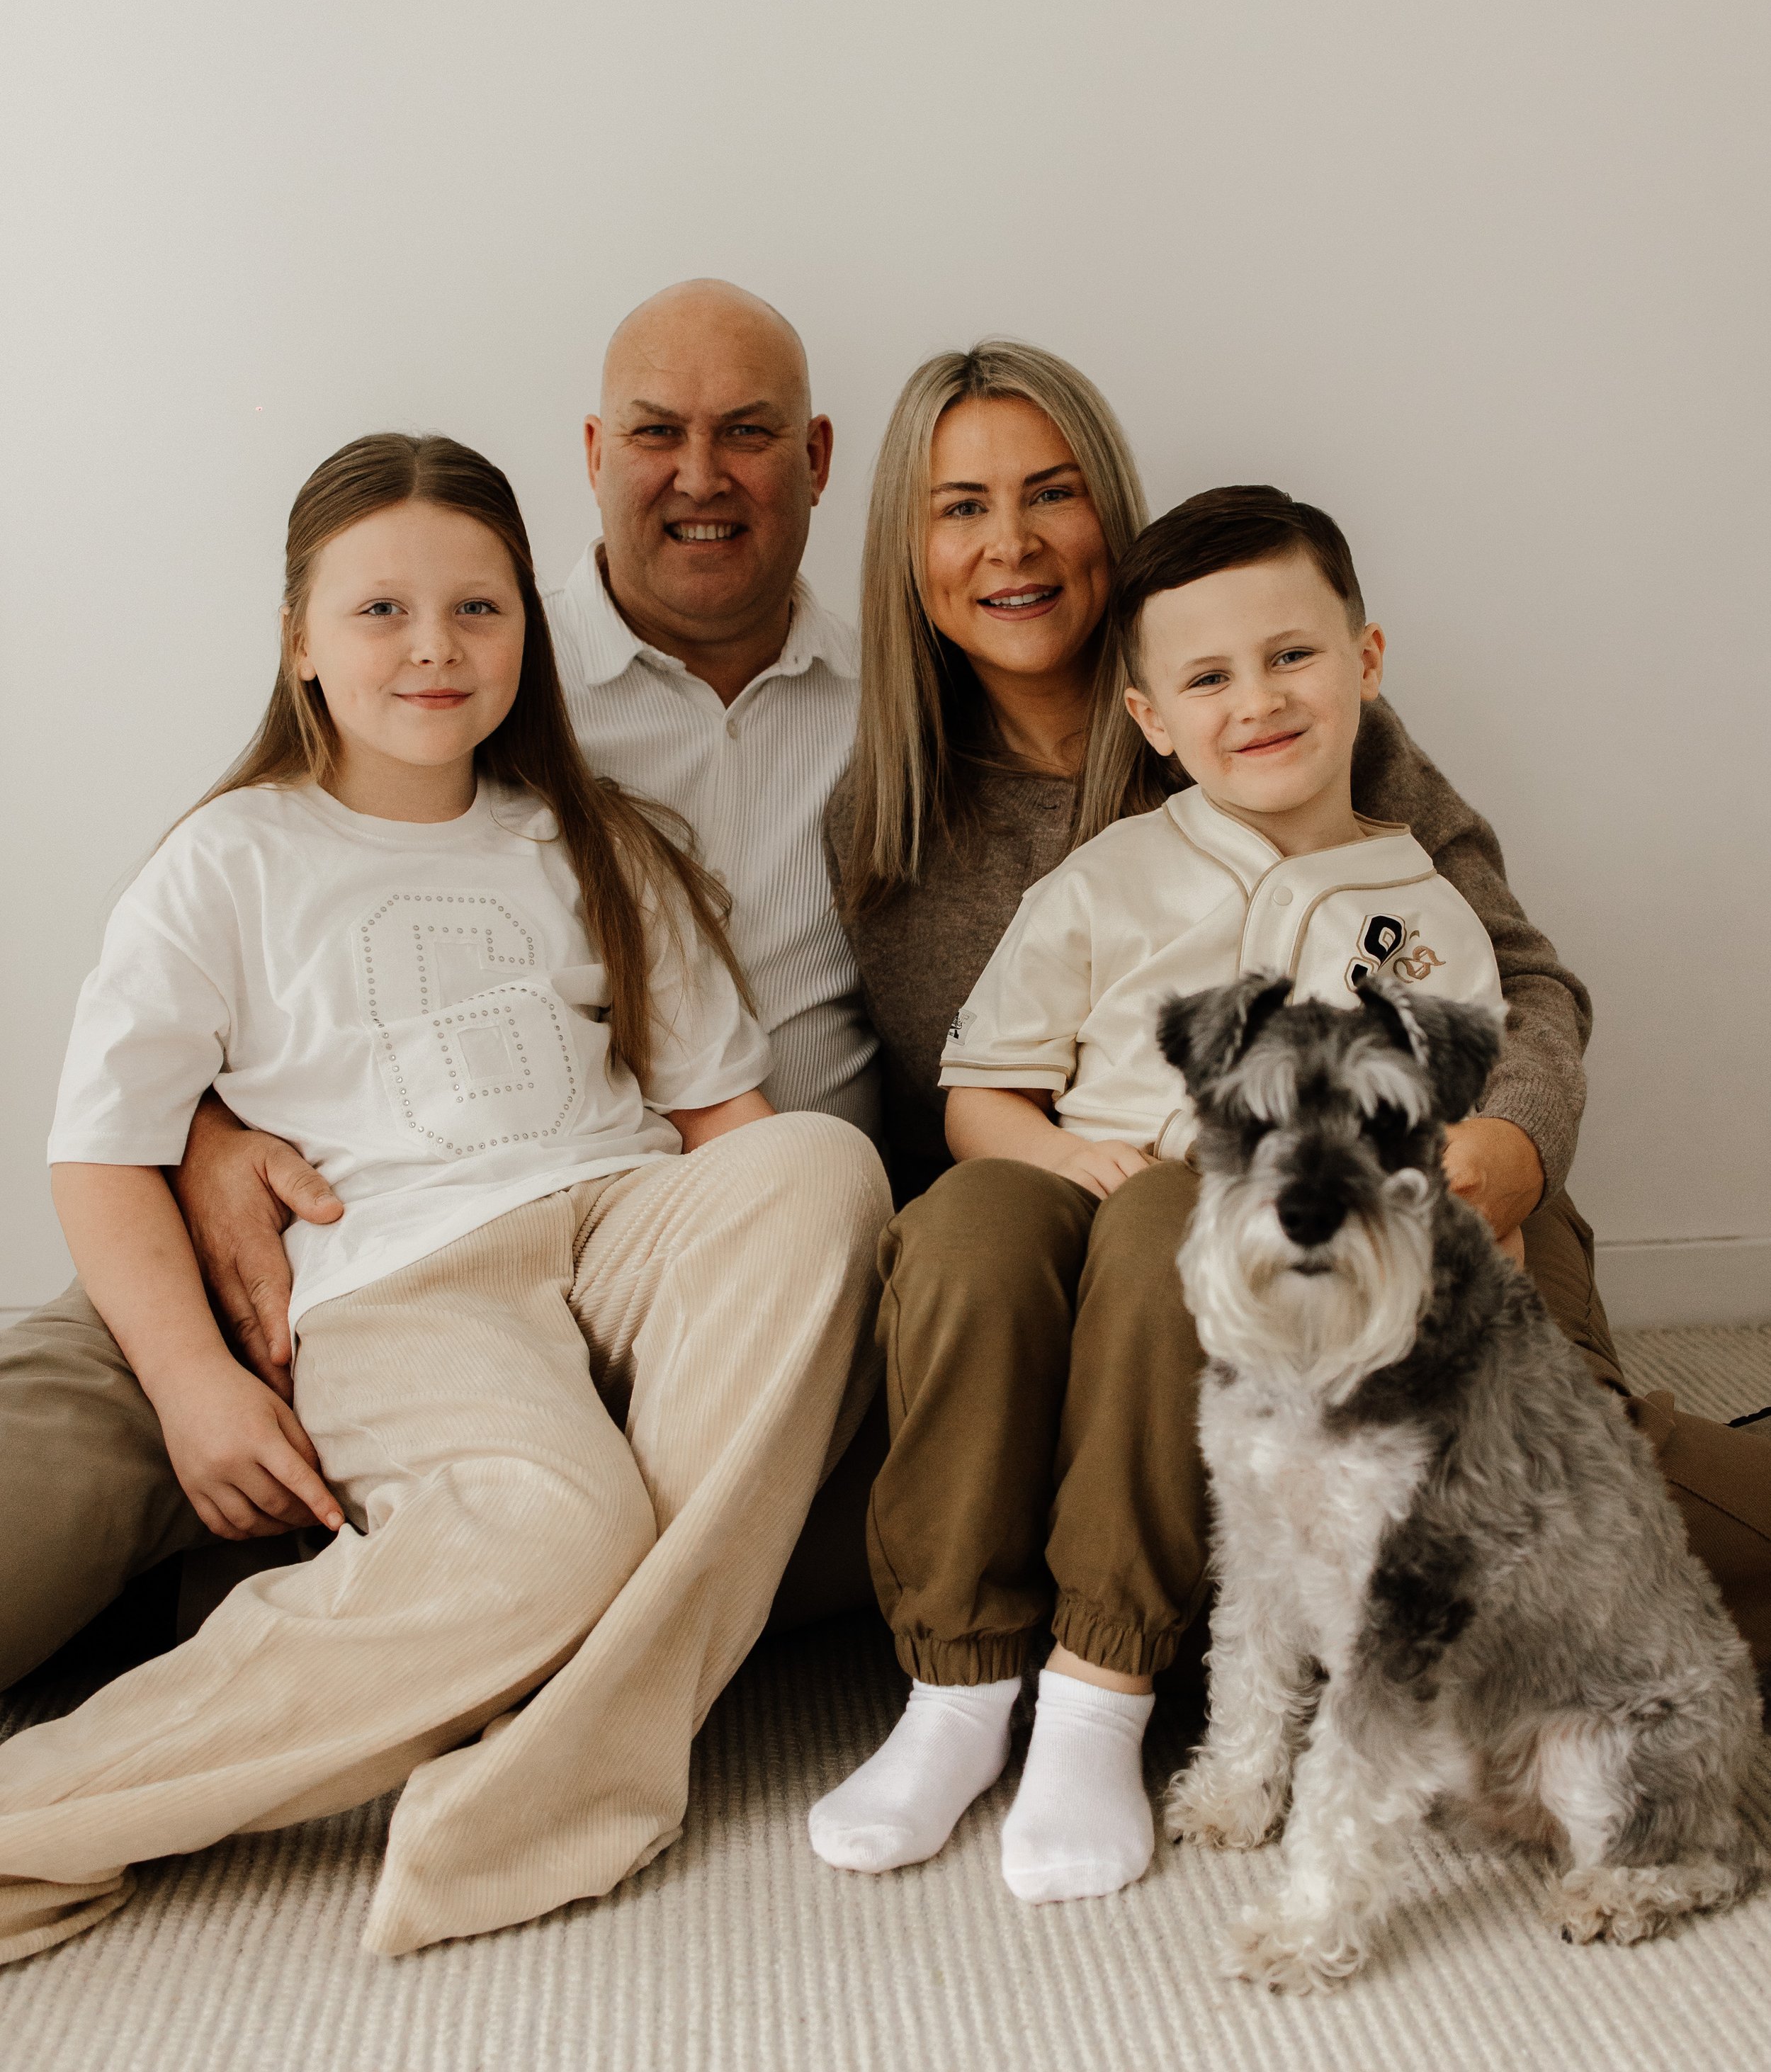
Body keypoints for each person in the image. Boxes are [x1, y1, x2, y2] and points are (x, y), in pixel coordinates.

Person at [817, 340, 1771, 1872]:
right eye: (959, 507)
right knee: (1020, 1230)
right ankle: (989, 1692)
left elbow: (1515, 994)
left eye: (1050, 493)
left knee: (1594, 1551)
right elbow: (977, 1099)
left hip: (1414, 1257)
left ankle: (1122, 1691)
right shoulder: (909, 821)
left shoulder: (1328, 736)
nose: (1007, 542)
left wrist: (1501, 1164)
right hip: (1138, 1305)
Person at [0, 431, 888, 1964]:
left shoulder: (597, 843)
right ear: (298, 640)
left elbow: (725, 1126)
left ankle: (572, 1757)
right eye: (380, 612)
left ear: (527, 635)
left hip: (618, 1226)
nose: (433, 648)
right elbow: (103, 1151)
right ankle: (42, 1817)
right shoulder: (231, 863)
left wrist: (789, 1303)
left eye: (478, 609)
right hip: (399, 1275)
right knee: (546, 1534)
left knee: (818, 1162)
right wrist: (199, 1387)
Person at [810, 485, 1509, 1901]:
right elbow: (977, 1096)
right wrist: (1053, 1152)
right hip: (1064, 1163)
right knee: (957, 1238)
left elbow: (1425, 1142)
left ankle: (1096, 1690)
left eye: (1290, 657)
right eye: (1206, 677)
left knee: (1162, 1226)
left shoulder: (1422, 916)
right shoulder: (1104, 878)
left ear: (1363, 663)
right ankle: (951, 1685)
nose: (1254, 701)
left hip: (1238, 1233)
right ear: (1148, 719)